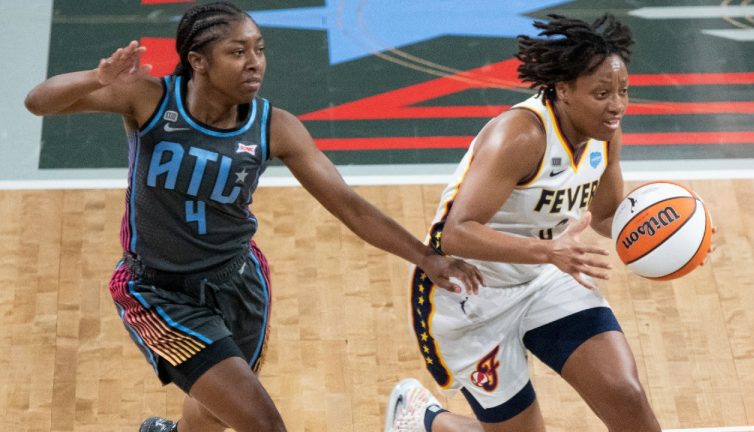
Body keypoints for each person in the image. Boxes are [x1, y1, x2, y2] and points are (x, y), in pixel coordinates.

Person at [24, 2, 483, 431]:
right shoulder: (149, 100)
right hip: (158, 292)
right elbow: (38, 102)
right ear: (198, 60)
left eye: (259, 50)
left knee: (215, 408)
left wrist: (427, 258)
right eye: (237, 51)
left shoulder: (274, 127)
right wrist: (95, 77)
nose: (255, 62)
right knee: (262, 422)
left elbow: (348, 205)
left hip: (240, 283)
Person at [384, 14, 685, 432]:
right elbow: (456, 233)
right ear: (563, 89)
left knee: (626, 397)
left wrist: (676, 234)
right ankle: (422, 418)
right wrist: (548, 251)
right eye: (601, 93)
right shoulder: (521, 136)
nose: (616, 104)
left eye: (623, 90)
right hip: (471, 295)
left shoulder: (605, 132)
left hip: (547, 277)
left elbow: (607, 216)